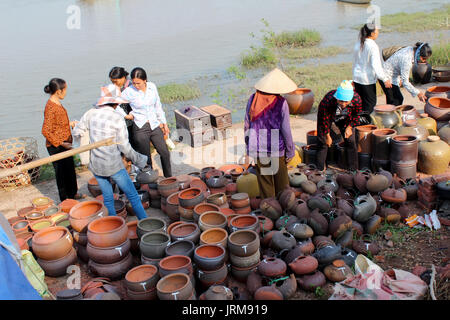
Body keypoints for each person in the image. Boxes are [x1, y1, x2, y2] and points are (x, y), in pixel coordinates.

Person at [72, 87, 150, 220]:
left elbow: (77, 131)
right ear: (116, 103)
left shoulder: (90, 113)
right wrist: (141, 160)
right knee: (133, 197)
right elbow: (125, 147)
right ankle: (146, 224)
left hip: (96, 164)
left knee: (108, 199)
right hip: (113, 164)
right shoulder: (116, 118)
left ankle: (113, 225)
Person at [244, 68, 296, 199]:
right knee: (282, 185)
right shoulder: (281, 103)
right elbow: (286, 130)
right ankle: (283, 213)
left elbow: (247, 126)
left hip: (259, 150)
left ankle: (269, 211)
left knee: (265, 185)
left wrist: (249, 149)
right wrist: (290, 151)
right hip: (276, 150)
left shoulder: (252, 100)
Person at [121, 67, 172, 177]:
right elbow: (114, 104)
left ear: (145, 80)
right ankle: (151, 181)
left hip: (154, 124)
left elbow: (158, 106)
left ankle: (169, 177)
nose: (136, 86)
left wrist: (164, 124)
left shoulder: (152, 87)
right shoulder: (129, 91)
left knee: (165, 153)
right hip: (140, 127)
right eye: (134, 83)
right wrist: (127, 115)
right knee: (146, 158)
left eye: (138, 83)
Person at [41, 78, 83, 201]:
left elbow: (56, 124)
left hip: (65, 143)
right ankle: (65, 200)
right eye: (65, 90)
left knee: (70, 169)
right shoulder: (50, 107)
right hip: (56, 146)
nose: (66, 92)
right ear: (59, 91)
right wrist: (61, 143)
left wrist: (69, 124)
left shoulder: (57, 102)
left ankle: (73, 193)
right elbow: (45, 130)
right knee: (61, 174)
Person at [316, 80, 362, 171]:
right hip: (327, 117)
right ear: (337, 98)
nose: (343, 104)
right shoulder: (328, 101)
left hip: (345, 118)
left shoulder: (357, 100)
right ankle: (320, 169)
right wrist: (328, 136)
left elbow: (357, 116)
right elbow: (324, 121)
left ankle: (353, 169)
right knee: (323, 142)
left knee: (351, 141)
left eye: (346, 101)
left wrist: (349, 127)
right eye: (341, 101)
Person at [353, 23, 392, 122]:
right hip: (367, 80)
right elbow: (376, 66)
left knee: (360, 103)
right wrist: (385, 79)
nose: (378, 33)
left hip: (357, 78)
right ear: (372, 33)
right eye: (377, 31)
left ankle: (359, 123)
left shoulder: (358, 43)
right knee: (370, 104)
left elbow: (355, 62)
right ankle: (365, 126)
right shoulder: (373, 46)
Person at [103, 67, 134, 138]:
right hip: (122, 120)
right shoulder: (115, 88)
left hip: (132, 120)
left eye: (115, 81)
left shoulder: (132, 86)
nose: (114, 84)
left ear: (123, 77)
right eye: (112, 82)